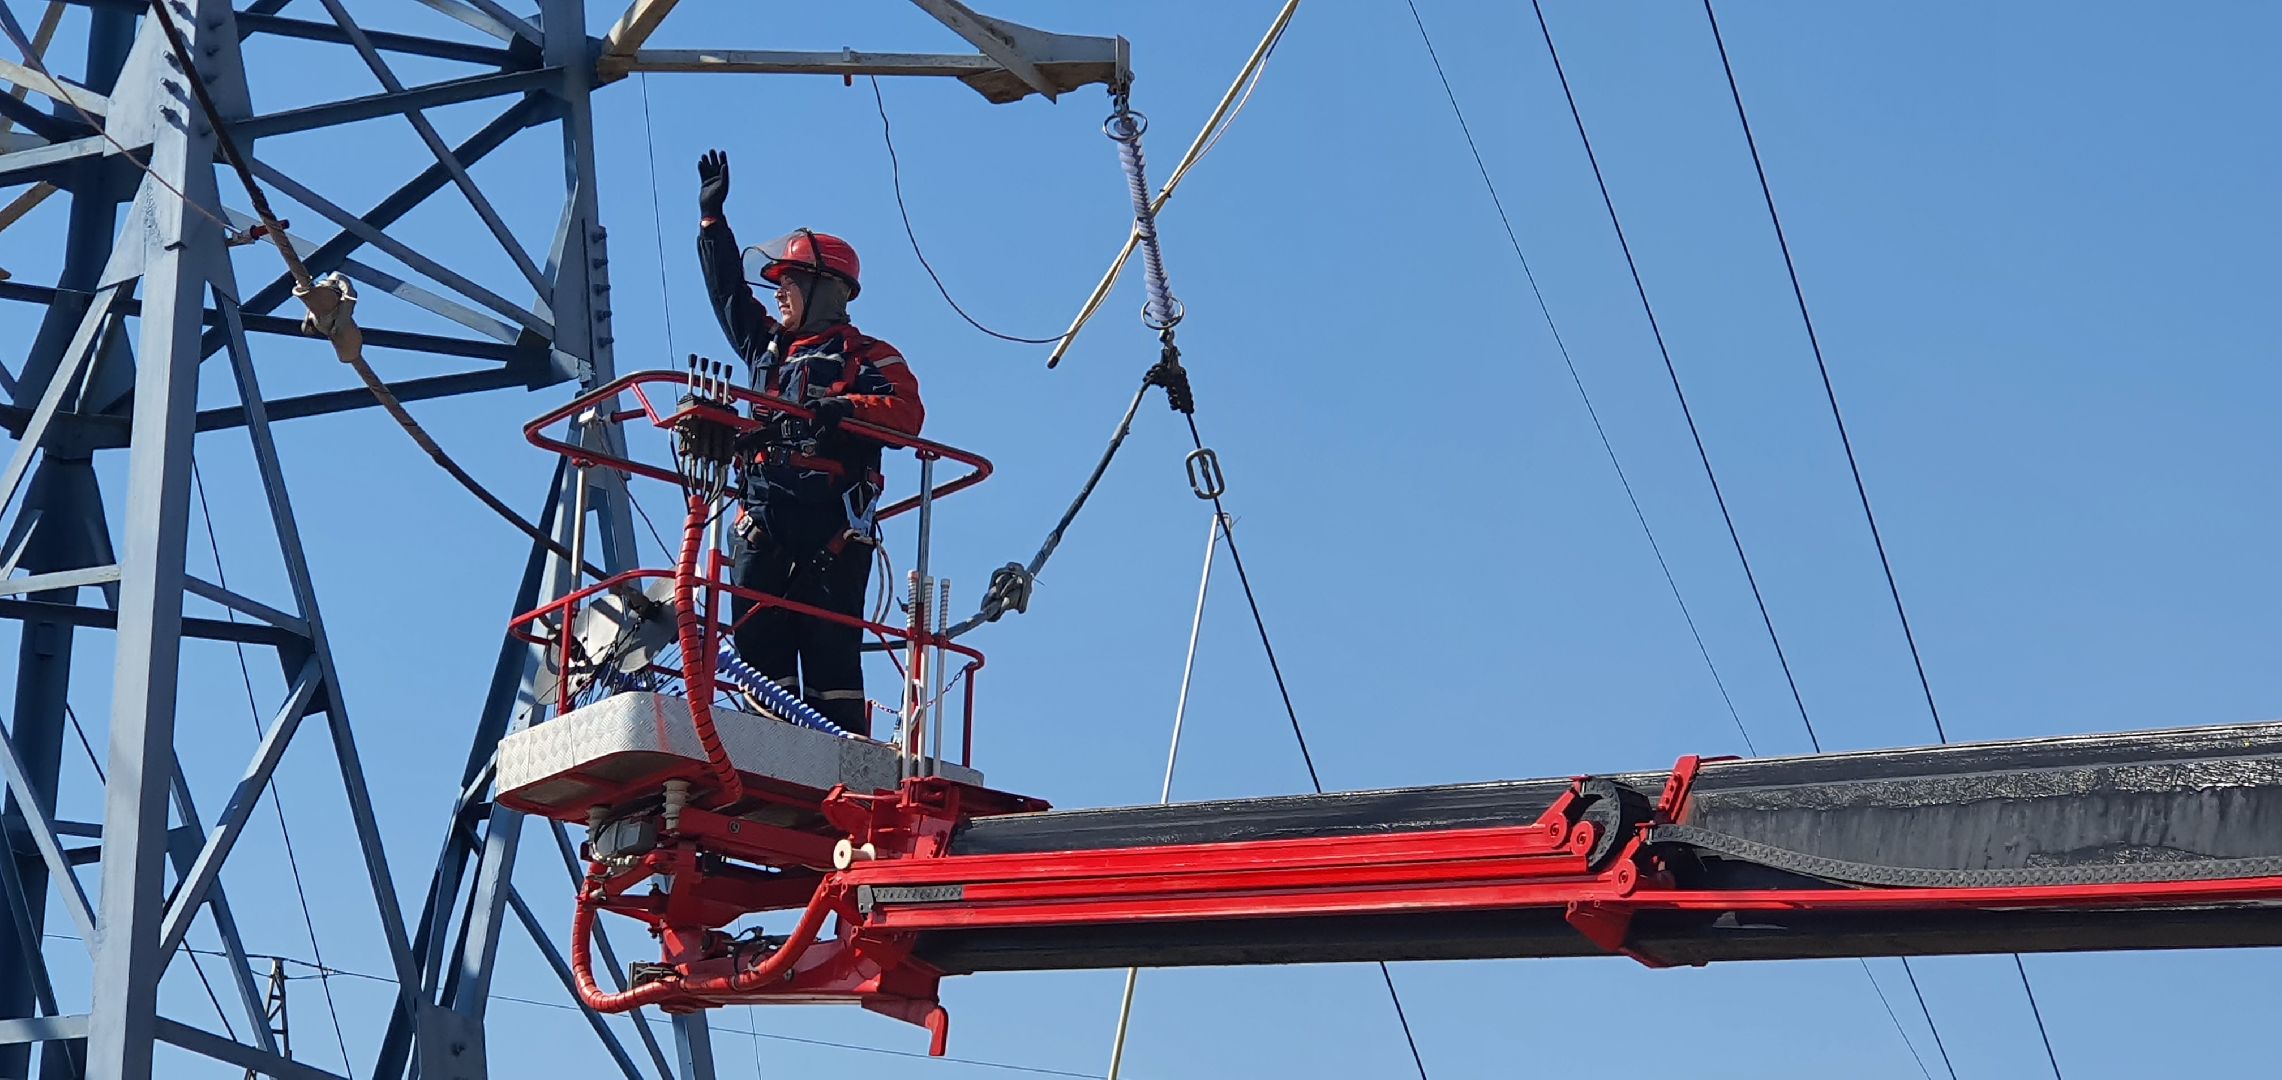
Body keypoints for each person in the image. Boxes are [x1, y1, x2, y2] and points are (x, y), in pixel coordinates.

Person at [694, 149, 923, 737]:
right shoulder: (767, 349)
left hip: (832, 536)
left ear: (828, 289)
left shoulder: (868, 356)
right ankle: (756, 758)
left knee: (831, 676)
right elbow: (728, 297)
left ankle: (840, 767)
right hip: (763, 526)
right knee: (758, 676)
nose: (777, 294)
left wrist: (842, 408)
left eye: (788, 281)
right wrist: (712, 224)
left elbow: (906, 412)